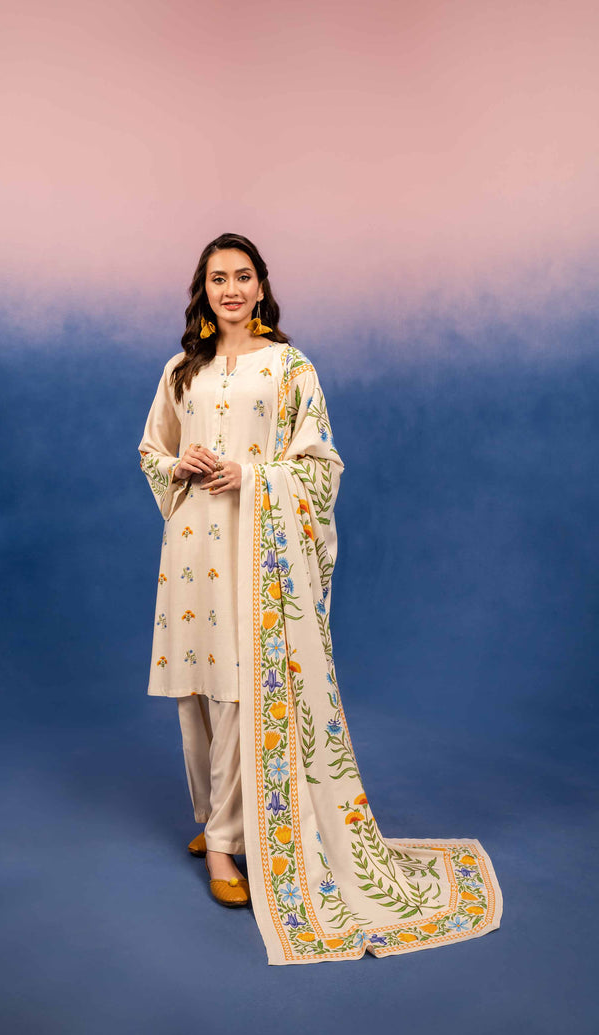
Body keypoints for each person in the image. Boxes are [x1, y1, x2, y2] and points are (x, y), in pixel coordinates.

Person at [138, 233, 503, 966]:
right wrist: (182, 464)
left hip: (255, 552)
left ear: (262, 286)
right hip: (192, 548)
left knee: (240, 688)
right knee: (198, 689)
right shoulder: (183, 370)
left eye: (243, 276)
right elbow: (152, 450)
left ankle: (226, 846)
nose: (231, 289)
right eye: (218, 278)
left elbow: (321, 465)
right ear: (203, 289)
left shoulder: (291, 367)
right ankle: (214, 816)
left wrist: (252, 477)